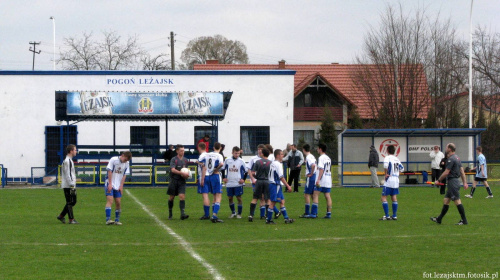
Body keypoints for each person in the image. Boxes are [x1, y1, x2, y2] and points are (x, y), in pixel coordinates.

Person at [431, 143, 469, 225]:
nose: (445, 148)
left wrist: (439, 180)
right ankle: (439, 219)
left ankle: (464, 220)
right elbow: (462, 171)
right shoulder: (457, 158)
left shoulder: (451, 159)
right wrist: (464, 182)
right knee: (446, 200)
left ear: (450, 149)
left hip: (452, 182)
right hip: (454, 182)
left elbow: (446, 172)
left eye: (447, 147)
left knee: (457, 201)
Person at [266, 149, 294, 224]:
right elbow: (281, 177)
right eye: (281, 154)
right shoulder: (278, 164)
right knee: (273, 202)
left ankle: (286, 218)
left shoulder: (272, 163)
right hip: (275, 185)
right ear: (278, 155)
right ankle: (268, 219)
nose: (283, 156)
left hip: (275, 184)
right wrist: (288, 186)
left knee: (282, 201)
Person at [105, 151, 132, 225]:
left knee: (118, 202)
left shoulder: (126, 163)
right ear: (122, 155)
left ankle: (117, 220)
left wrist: (121, 186)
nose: (125, 161)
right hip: (109, 183)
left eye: (127, 160)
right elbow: (109, 171)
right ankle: (108, 219)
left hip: (118, 185)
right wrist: (110, 184)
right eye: (125, 159)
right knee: (110, 201)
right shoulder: (113, 160)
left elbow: (124, 175)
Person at [200, 142, 225, 223]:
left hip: (210, 176)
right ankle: (214, 215)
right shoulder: (219, 155)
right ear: (220, 148)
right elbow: (221, 164)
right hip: (216, 175)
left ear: (213, 147)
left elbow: (201, 163)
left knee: (214, 196)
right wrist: (216, 169)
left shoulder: (208, 154)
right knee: (218, 196)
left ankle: (213, 215)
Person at [379, 145, 404, 221]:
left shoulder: (387, 158)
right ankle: (394, 215)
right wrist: (396, 173)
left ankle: (387, 216)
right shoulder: (397, 159)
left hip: (389, 179)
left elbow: (386, 166)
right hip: (396, 180)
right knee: (393, 196)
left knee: (383, 197)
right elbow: (402, 169)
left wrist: (386, 174)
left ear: (387, 150)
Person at [223, 146, 248, 219]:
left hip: (238, 183)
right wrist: (224, 178)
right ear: (232, 152)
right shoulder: (227, 160)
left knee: (239, 198)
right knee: (230, 198)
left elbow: (246, 171)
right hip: (229, 182)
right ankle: (233, 212)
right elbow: (223, 169)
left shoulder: (241, 161)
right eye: (235, 153)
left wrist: (243, 179)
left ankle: (239, 213)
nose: (237, 155)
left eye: (238, 153)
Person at [57, 144, 78, 224]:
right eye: (75, 150)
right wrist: (71, 184)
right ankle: (71, 219)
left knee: (72, 201)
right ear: (71, 151)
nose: (76, 151)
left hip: (68, 184)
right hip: (68, 185)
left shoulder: (69, 160)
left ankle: (61, 216)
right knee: (71, 202)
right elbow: (68, 174)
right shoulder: (67, 161)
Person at [248, 148, 272, 222]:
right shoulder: (271, 163)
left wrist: (256, 177)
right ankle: (268, 216)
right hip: (267, 181)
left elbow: (253, 173)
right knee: (267, 199)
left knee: (255, 198)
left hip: (259, 181)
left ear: (262, 154)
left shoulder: (258, 162)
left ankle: (251, 215)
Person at [167, 145, 190, 220]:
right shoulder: (174, 159)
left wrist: (187, 175)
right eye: (181, 150)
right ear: (177, 151)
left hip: (181, 181)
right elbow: (173, 170)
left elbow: (186, 170)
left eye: (183, 150)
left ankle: (182, 214)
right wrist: (182, 173)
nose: (182, 152)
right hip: (173, 180)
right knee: (171, 197)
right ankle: (170, 213)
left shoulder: (186, 160)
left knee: (182, 196)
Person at [310, 143, 333, 219]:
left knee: (315, 194)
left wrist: (318, 179)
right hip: (328, 179)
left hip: (322, 180)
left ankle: (313, 213)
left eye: (317, 148)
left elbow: (321, 169)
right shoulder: (328, 158)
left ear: (320, 149)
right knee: (327, 196)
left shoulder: (321, 158)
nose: (317, 150)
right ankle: (329, 214)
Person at [300, 144, 316, 218]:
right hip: (314, 177)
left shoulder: (308, 157)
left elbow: (313, 165)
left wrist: (311, 173)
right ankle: (314, 212)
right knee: (313, 194)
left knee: (306, 194)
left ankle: (307, 213)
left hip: (311, 177)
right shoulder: (312, 156)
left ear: (303, 149)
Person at [196, 142, 210, 220]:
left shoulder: (202, 156)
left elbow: (204, 167)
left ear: (199, 148)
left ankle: (207, 214)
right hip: (210, 176)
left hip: (204, 176)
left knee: (205, 195)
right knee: (210, 195)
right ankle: (212, 213)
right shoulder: (208, 155)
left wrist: (202, 179)